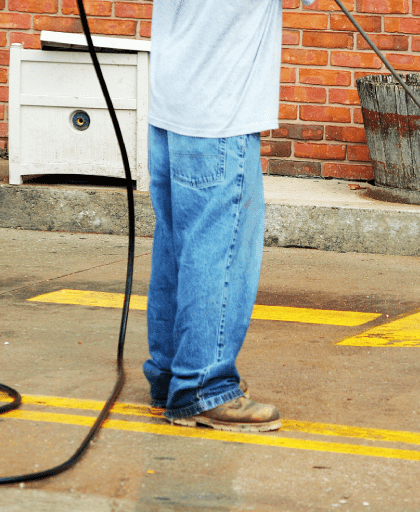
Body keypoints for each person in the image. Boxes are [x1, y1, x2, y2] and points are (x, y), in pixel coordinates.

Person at [143, 0, 283, 432]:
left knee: (176, 248)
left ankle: (171, 374)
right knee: (215, 251)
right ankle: (204, 387)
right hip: (220, 112)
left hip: (171, 106)